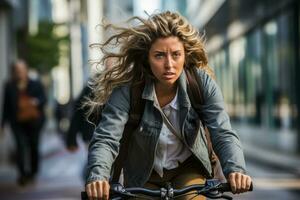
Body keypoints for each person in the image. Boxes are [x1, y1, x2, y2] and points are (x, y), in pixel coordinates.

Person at [84, 11, 252, 200]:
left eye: (176, 54)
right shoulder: (128, 89)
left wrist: (236, 170)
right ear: (147, 57)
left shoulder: (200, 83)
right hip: (142, 175)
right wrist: (98, 176)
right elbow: (107, 137)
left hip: (188, 170)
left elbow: (222, 131)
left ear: (185, 55)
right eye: (159, 55)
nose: (169, 64)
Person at [1, 59, 47, 186]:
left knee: (33, 146)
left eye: (22, 70)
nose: (20, 73)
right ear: (13, 72)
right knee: (20, 147)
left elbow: (44, 99)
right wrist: (3, 125)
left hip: (34, 122)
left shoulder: (36, 83)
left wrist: (35, 101)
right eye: (17, 70)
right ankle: (22, 174)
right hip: (17, 122)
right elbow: (6, 106)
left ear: (26, 70)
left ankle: (33, 173)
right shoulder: (9, 85)